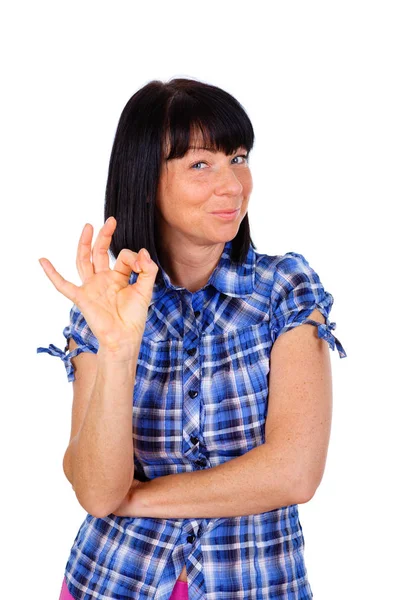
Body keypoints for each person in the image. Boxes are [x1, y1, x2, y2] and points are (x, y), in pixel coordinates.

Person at [37, 77, 347, 600]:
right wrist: (116, 351)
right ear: (145, 179)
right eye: (200, 165)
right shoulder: (106, 306)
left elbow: (294, 473)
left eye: (239, 158)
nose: (233, 185)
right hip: (112, 582)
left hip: (254, 584)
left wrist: (134, 499)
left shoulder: (283, 289)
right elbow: (95, 489)